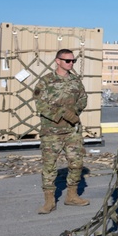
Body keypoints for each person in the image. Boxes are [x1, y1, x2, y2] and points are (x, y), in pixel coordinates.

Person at [33, 49, 90, 213]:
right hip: (52, 132)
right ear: (58, 61)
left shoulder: (76, 81)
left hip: (72, 131)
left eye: (73, 61)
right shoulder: (45, 81)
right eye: (67, 61)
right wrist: (61, 115)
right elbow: (40, 104)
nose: (71, 64)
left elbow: (83, 98)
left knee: (76, 163)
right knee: (49, 166)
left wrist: (75, 113)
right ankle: (49, 201)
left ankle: (72, 196)